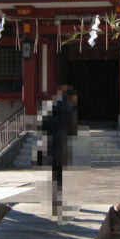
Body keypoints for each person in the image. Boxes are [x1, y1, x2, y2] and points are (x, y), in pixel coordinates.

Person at [40, 86, 78, 217]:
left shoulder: (50, 107)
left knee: (54, 175)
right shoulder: (68, 108)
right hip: (62, 143)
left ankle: (54, 203)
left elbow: (43, 126)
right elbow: (73, 130)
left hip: (50, 144)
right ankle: (58, 202)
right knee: (60, 175)